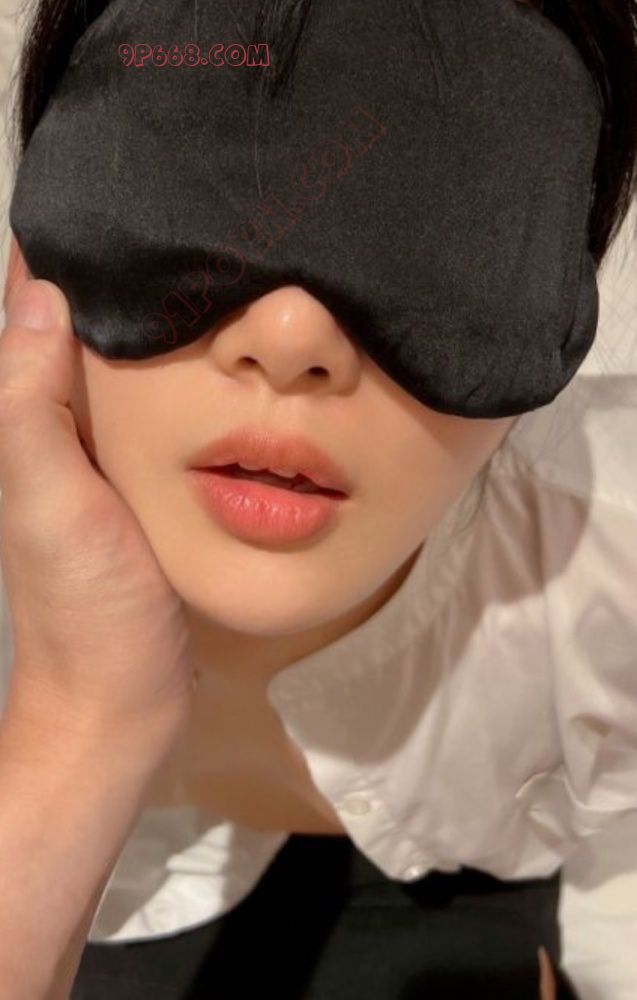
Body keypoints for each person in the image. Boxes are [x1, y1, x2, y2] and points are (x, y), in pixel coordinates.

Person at [0, 0, 636, 997]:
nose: (290, 339)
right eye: (191, 187)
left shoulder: (607, 561)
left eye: (444, 226)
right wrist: (75, 725)